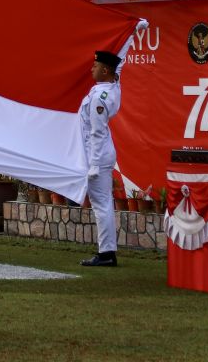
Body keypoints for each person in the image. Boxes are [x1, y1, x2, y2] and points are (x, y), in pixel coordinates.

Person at [80, 50, 126, 268]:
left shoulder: (100, 96)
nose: (92, 68)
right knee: (103, 203)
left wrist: (94, 165)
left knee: (102, 204)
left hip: (97, 155)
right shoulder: (113, 86)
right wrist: (132, 34)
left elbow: (97, 132)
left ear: (105, 70)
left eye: (96, 65)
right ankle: (107, 252)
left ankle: (106, 253)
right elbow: (120, 65)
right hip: (102, 152)